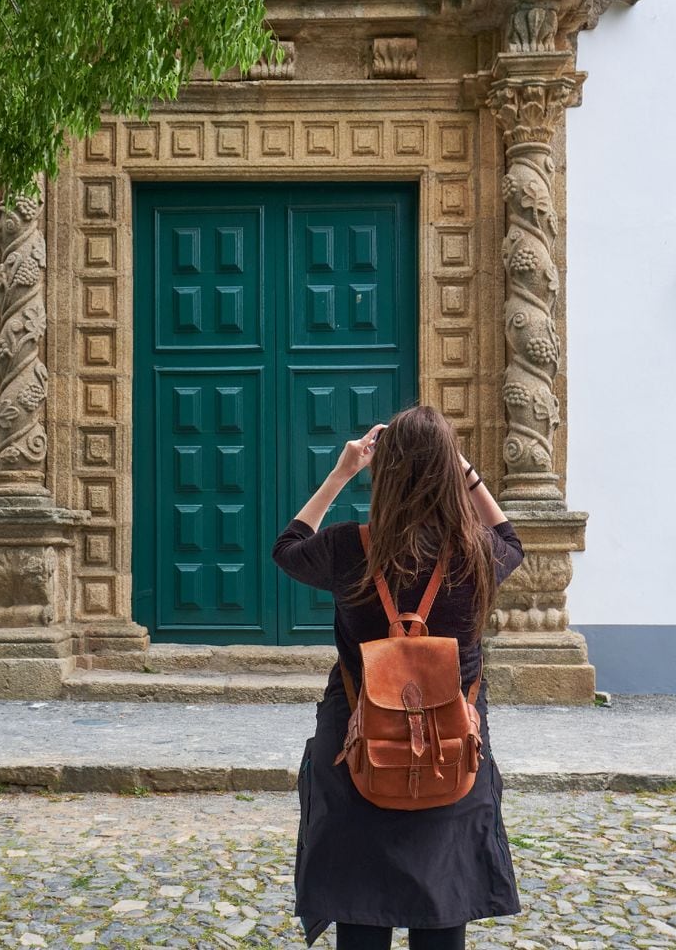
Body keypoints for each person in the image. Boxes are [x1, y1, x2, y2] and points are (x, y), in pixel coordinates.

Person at [271, 404, 525, 950]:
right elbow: (513, 540)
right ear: (448, 472)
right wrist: (467, 472)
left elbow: (287, 548)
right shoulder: (477, 554)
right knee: (442, 908)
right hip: (451, 747)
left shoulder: (347, 548)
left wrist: (341, 472)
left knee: (362, 909)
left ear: (382, 474)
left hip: (358, 746)